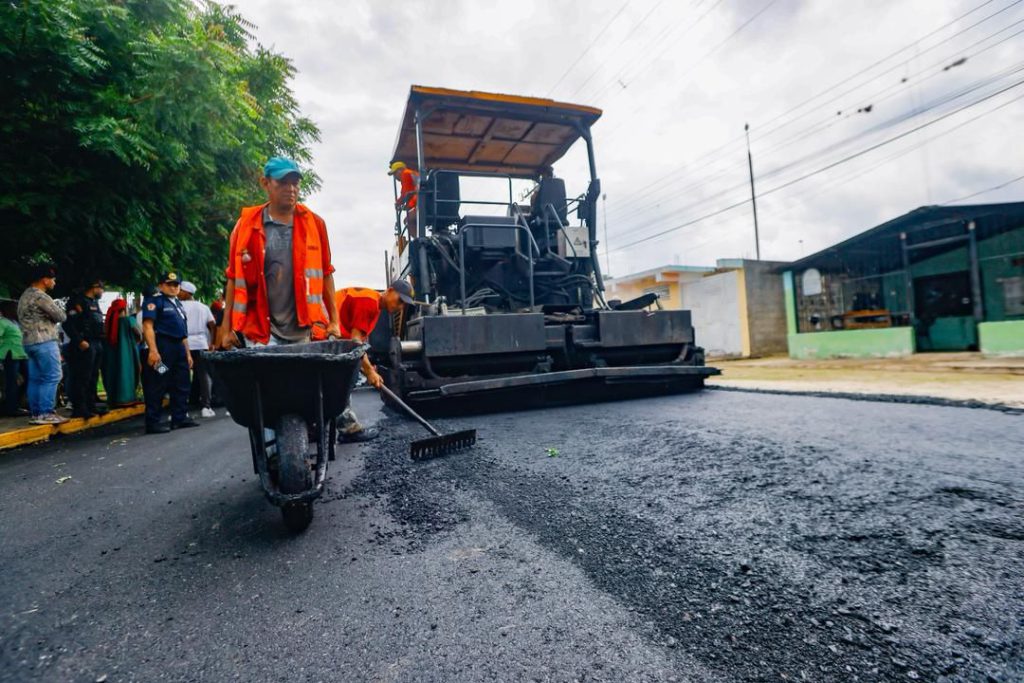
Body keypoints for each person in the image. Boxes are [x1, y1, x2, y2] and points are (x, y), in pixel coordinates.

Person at [218, 157, 340, 349]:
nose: (291, 189)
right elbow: (233, 277)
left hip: (301, 329)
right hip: (259, 330)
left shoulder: (315, 225)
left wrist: (334, 320)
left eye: (295, 183)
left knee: (296, 379)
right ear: (265, 183)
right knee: (267, 379)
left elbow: (326, 273)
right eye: (283, 182)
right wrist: (226, 329)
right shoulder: (246, 226)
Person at [334, 280, 414, 442]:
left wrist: (370, 368)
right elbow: (355, 343)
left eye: (403, 305)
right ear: (390, 290)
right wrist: (369, 371)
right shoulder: (369, 303)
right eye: (400, 301)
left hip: (331, 337)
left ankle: (317, 428)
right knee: (342, 380)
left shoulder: (374, 304)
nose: (400, 307)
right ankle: (349, 429)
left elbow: (357, 343)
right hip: (324, 335)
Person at [141, 272, 198, 434]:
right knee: (158, 382)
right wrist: (153, 350)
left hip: (178, 347)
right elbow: (148, 326)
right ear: (161, 285)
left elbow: (183, 332)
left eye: (176, 285)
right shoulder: (154, 302)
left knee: (181, 382)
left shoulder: (178, 304)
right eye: (169, 284)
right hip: (162, 347)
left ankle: (179, 418)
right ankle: (153, 422)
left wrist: (187, 354)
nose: (173, 287)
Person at [17, 263, 68, 425]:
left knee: (36, 379)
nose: (54, 282)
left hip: (29, 342)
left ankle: (36, 414)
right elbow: (60, 316)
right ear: (44, 280)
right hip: (44, 340)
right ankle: (46, 412)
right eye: (52, 279)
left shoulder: (24, 296)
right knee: (53, 376)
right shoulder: (41, 296)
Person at [65, 279, 108, 418]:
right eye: (101, 288)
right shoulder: (78, 302)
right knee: (82, 377)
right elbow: (68, 324)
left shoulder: (94, 303)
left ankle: (90, 405)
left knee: (93, 376)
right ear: (94, 287)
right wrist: (79, 341)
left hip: (96, 342)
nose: (102, 291)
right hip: (84, 343)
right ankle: (79, 408)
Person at [178, 281, 216, 418]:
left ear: (187, 293)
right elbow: (212, 325)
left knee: (182, 375)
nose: (178, 292)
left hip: (184, 344)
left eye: (180, 290)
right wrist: (212, 342)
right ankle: (206, 406)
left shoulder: (178, 306)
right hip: (201, 343)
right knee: (204, 375)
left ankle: (183, 409)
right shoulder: (203, 307)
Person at [101, 298, 141, 406]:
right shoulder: (129, 320)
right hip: (127, 351)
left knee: (112, 373)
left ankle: (113, 398)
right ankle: (126, 398)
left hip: (110, 354)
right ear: (124, 309)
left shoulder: (107, 322)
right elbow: (138, 334)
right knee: (127, 372)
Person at [0, 302, 28, 416]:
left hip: (22, 353)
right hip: (9, 354)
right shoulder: (2, 322)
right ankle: (11, 408)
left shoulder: (16, 322)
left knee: (29, 378)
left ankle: (15, 404)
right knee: (11, 381)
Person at [388, 161, 419, 239]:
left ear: (399, 170)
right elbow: (410, 193)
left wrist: (398, 203)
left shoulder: (405, 174)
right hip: (424, 201)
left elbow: (406, 193)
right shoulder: (413, 173)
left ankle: (418, 239)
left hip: (422, 203)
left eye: (395, 174)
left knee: (408, 220)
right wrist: (407, 205)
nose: (395, 177)